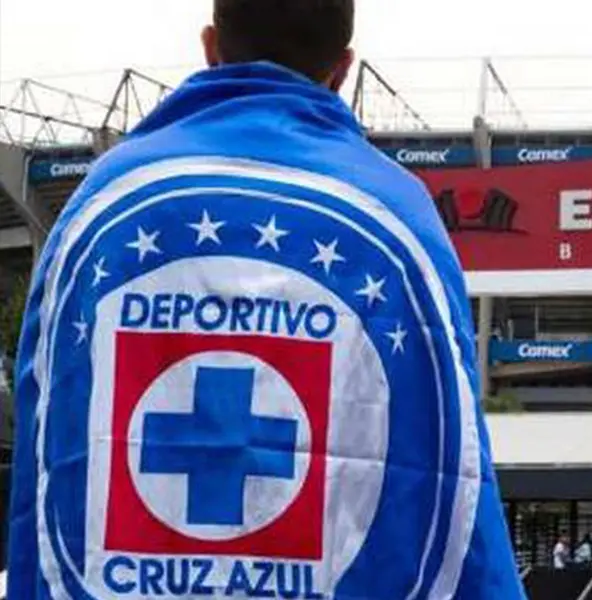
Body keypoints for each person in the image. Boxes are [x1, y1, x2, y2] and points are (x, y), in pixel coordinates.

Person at [6, 1, 525, 599]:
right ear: (343, 69)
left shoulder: (102, 202)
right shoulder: (400, 214)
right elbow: (448, 481)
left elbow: (52, 461)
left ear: (209, 47)